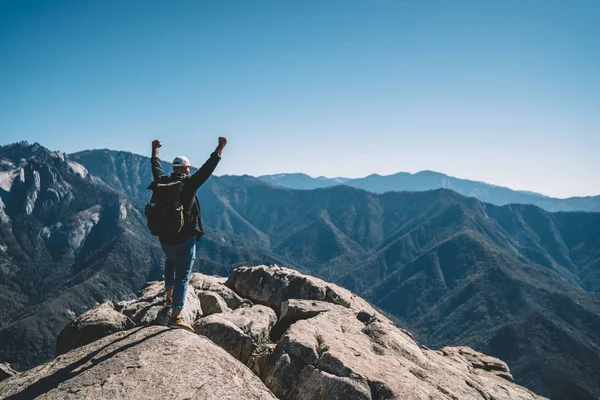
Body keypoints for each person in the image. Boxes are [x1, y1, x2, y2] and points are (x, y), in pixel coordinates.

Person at [150, 137, 227, 331]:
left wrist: (155, 150)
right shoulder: (189, 184)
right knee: (182, 276)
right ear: (186, 169)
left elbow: (155, 167)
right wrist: (220, 147)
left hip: (164, 238)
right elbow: (207, 169)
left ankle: (168, 297)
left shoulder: (162, 183)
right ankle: (176, 316)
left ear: (173, 168)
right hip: (185, 239)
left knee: (170, 262)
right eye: (188, 169)